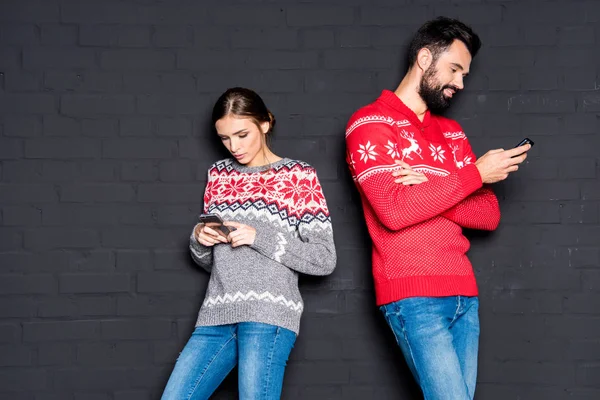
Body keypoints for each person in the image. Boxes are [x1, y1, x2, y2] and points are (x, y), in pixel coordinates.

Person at [344, 17, 531, 400]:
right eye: (455, 69)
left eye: (464, 74)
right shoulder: (369, 124)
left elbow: (488, 216)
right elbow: (394, 211)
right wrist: (473, 175)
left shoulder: (452, 134)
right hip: (413, 295)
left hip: (465, 294)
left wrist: (430, 185)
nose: (460, 83)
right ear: (425, 58)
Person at [161, 87, 337, 400]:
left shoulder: (298, 175)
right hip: (217, 312)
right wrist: (201, 241)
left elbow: (324, 259)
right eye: (225, 138)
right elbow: (216, 261)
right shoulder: (218, 175)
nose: (234, 147)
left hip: (268, 315)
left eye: (242, 135)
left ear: (265, 124)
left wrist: (260, 237)